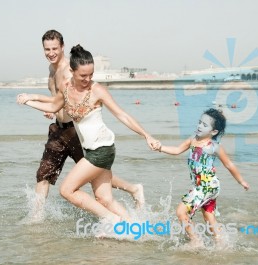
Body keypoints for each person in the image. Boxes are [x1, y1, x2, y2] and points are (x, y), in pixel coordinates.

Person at [17, 44, 159, 222]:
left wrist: (147, 135)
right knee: (105, 199)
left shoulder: (96, 90)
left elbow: (122, 115)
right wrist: (28, 101)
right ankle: (134, 227)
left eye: (91, 74)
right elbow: (53, 106)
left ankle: (112, 221)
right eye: (83, 75)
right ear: (72, 71)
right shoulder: (66, 89)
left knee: (66, 191)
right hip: (91, 150)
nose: (88, 79)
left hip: (103, 149)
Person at [155, 108, 249, 245]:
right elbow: (176, 150)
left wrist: (241, 181)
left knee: (181, 212)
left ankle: (196, 241)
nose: (199, 126)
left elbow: (229, 164)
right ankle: (222, 242)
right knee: (208, 216)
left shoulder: (214, 147)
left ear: (214, 132)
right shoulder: (192, 139)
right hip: (201, 186)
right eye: (200, 122)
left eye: (205, 125)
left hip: (208, 186)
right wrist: (160, 147)